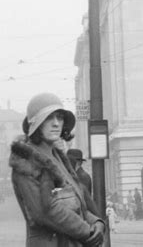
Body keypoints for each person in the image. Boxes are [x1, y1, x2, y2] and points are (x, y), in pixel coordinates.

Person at [9, 92, 105, 246]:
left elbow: (78, 203)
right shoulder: (25, 161)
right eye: (48, 118)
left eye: (59, 117)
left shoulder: (59, 158)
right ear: (36, 124)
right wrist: (88, 231)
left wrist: (97, 222)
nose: (56, 123)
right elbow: (45, 212)